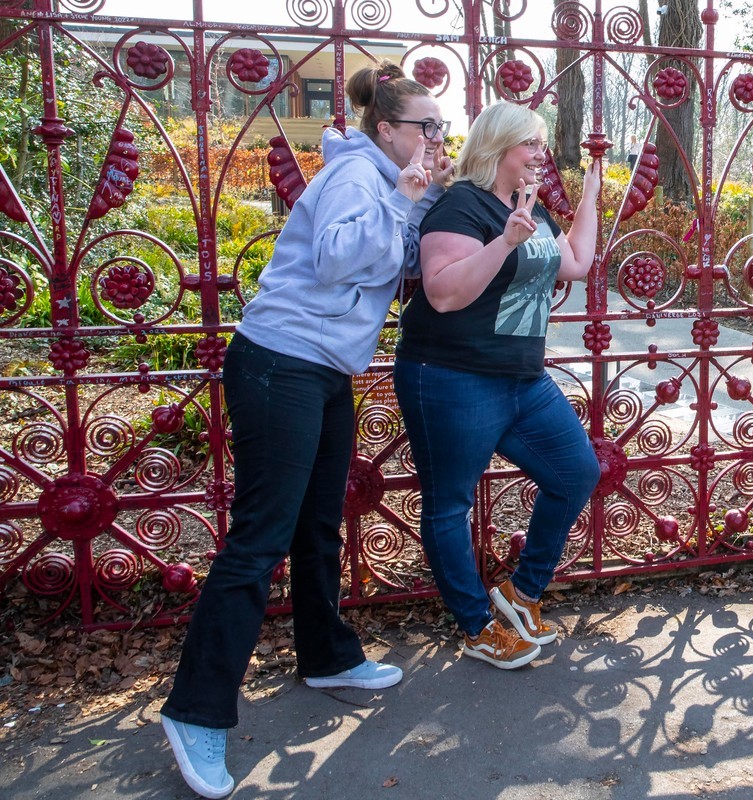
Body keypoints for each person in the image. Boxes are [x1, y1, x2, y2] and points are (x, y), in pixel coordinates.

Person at [161, 63, 451, 799]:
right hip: (280, 364)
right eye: (427, 127)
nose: (437, 137)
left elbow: (400, 261)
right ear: (387, 130)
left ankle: (327, 657)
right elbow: (337, 258)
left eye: (441, 128)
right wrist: (408, 194)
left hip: (323, 368)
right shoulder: (358, 177)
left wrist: (430, 205)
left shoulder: (385, 183)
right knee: (260, 537)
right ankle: (195, 711)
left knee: (318, 523)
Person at [395, 101, 602, 669]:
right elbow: (441, 291)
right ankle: (476, 625)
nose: (542, 154)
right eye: (531, 144)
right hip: (451, 375)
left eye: (542, 144)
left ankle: (522, 592)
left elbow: (576, 263)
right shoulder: (461, 206)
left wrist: (589, 194)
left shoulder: (525, 205)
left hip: (521, 379)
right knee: (449, 504)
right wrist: (505, 241)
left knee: (576, 472)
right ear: (498, 148)